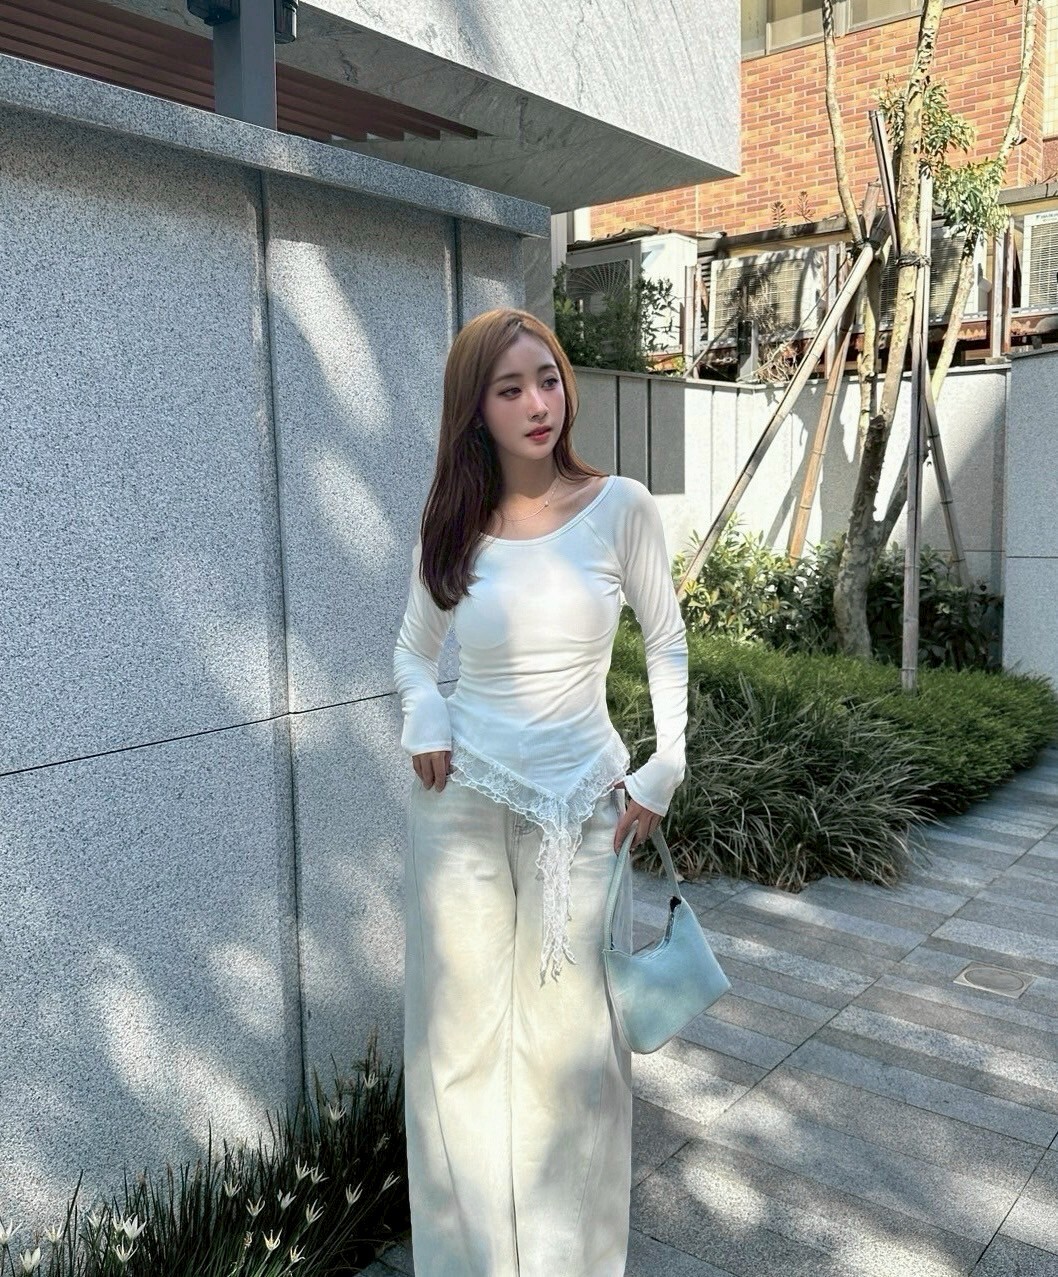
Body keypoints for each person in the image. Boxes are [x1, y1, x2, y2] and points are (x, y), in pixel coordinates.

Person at [392, 306, 688, 1277]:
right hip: (462, 805)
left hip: (584, 808)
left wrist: (668, 761)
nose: (536, 403)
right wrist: (424, 711)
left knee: (575, 1059)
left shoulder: (620, 506)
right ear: (474, 409)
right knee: (459, 1050)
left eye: (548, 379)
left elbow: (667, 640)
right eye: (509, 387)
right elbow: (413, 652)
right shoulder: (452, 525)